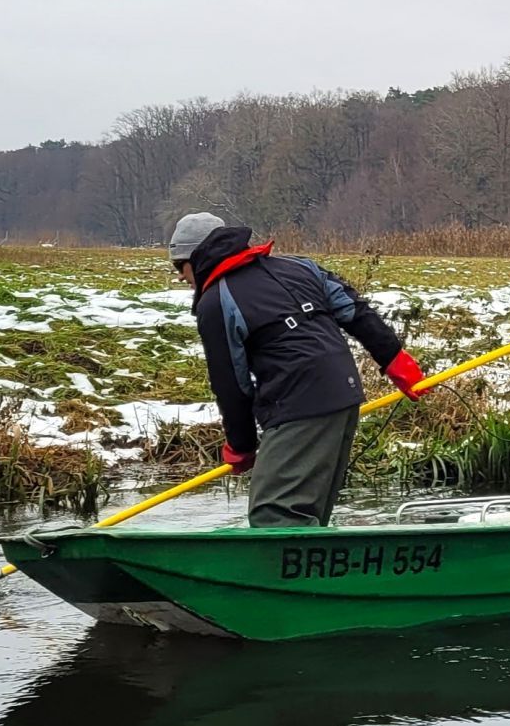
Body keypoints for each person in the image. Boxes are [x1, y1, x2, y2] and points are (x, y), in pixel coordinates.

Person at [168, 213, 426, 527]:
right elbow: (355, 311)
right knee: (309, 512)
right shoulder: (299, 266)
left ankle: (278, 576)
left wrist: (242, 446)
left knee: (274, 515)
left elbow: (232, 386)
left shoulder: (215, 303)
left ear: (196, 259)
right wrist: (394, 359)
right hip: (344, 394)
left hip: (299, 404)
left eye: (179, 266)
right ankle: (324, 573)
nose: (181, 277)